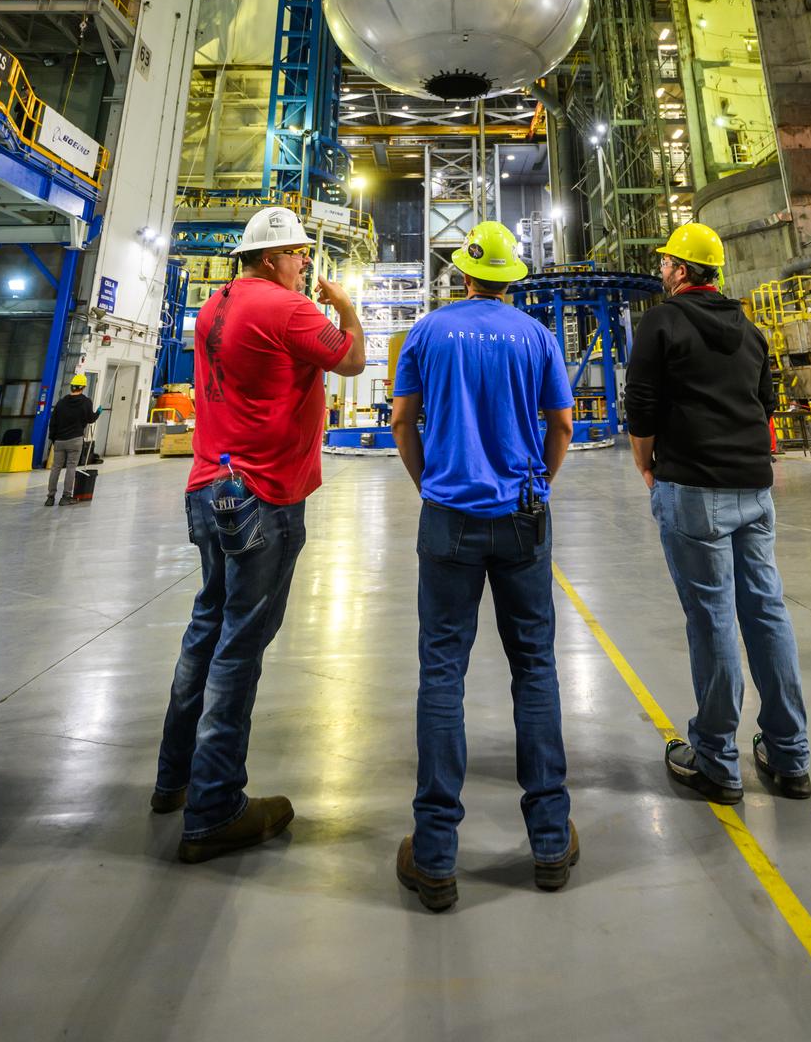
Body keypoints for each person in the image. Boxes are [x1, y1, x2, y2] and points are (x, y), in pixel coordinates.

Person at [154, 204, 365, 863]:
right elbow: (353, 362)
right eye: (300, 254)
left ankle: (174, 779)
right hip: (262, 496)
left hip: (206, 489)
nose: (307, 263)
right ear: (274, 259)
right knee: (239, 649)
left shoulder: (216, 306)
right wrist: (348, 308)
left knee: (205, 632)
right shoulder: (288, 308)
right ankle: (214, 811)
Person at [390, 220, 576, 913]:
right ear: (511, 280)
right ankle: (551, 841)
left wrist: (427, 483)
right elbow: (560, 425)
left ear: (464, 274)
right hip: (524, 515)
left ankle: (435, 854)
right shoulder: (537, 337)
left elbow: (403, 420)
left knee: (442, 672)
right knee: (534, 668)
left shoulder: (428, 333)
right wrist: (541, 484)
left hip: (448, 517)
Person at [624, 221, 811, 805]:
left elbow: (641, 406)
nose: (661, 271)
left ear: (681, 272)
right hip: (754, 489)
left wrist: (648, 467)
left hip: (694, 489)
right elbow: (766, 401)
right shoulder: (750, 329)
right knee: (766, 612)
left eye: (666, 264)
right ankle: (789, 755)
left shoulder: (661, 321)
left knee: (712, 617)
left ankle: (716, 758)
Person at [44, 373, 96, 506]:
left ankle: (50, 497)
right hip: (75, 440)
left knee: (55, 468)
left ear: (72, 387)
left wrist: (53, 439)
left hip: (59, 440)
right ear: (83, 387)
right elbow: (90, 419)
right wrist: (98, 413)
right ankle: (66, 497)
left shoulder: (61, 403)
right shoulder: (86, 402)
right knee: (71, 467)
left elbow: (53, 422)